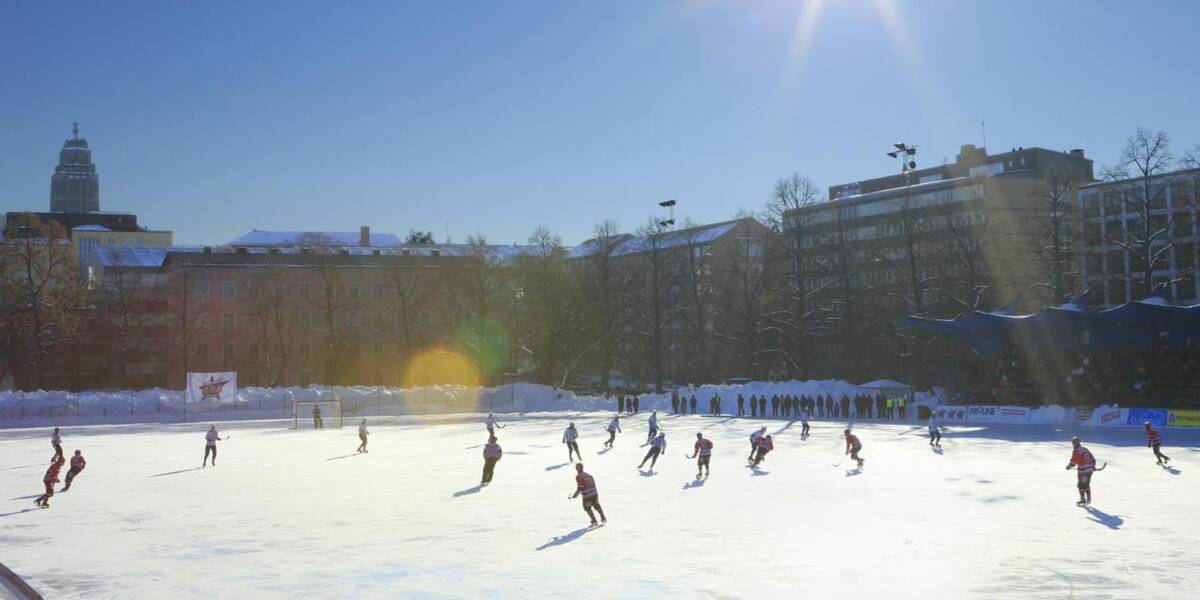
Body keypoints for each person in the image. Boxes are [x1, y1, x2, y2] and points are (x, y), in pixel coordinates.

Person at [1066, 436, 1096, 506]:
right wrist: (1093, 466)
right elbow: (1093, 459)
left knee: (1081, 485)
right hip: (1089, 471)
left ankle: (1084, 499)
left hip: (1083, 472)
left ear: (1074, 444)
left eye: (1073, 443)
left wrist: (1068, 467)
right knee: (1085, 484)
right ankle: (1087, 498)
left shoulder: (1076, 451)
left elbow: (1073, 462)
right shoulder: (1085, 449)